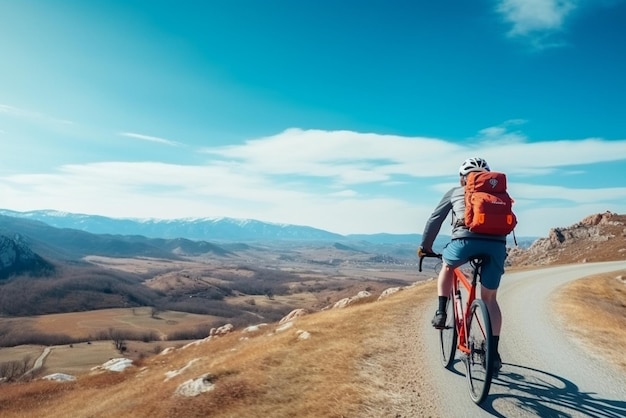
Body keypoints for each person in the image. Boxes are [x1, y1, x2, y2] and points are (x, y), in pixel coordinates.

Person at [418, 157, 507, 370]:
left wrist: (426, 247)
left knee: (448, 266)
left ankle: (441, 312)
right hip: (496, 246)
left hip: (464, 242)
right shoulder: (498, 194)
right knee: (490, 299)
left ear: (462, 179)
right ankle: (493, 354)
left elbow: (434, 220)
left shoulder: (454, 192)